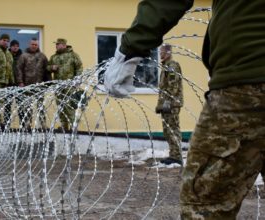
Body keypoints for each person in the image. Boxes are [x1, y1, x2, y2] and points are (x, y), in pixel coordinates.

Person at [104, 0, 265, 219]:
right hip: (244, 80)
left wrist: (131, 48)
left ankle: (174, 154)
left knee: (204, 202)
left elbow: (173, 87)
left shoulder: (173, 66)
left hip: (246, 82)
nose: (161, 56)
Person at [155, 44, 183, 165]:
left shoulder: (172, 66)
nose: (159, 54)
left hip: (171, 104)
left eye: (161, 52)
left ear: (167, 53)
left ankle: (176, 156)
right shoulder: (165, 66)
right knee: (167, 130)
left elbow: (173, 86)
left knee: (173, 129)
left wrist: (166, 104)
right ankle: (173, 154)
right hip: (166, 103)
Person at [47, 38, 83, 131]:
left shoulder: (73, 55)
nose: (56, 46)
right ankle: (64, 126)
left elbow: (79, 68)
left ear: (64, 45)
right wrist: (51, 67)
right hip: (58, 85)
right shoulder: (54, 57)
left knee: (69, 105)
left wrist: (77, 81)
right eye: (56, 44)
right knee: (60, 106)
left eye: (58, 44)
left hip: (69, 84)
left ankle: (73, 126)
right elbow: (47, 67)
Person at [16, 38, 51, 128]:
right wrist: (20, 82)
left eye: (36, 45)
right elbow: (19, 69)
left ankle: (43, 123)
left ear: (38, 45)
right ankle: (28, 123)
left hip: (40, 85)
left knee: (41, 105)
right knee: (28, 105)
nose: (34, 46)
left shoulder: (42, 56)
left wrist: (48, 83)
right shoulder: (24, 56)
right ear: (29, 44)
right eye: (32, 44)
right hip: (27, 85)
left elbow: (47, 70)